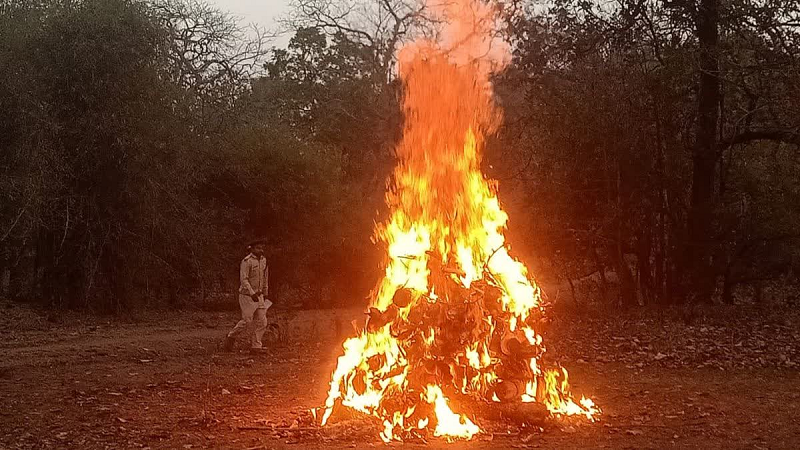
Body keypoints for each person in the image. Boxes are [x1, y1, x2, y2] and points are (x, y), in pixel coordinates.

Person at [222, 238, 272, 353]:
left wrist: (265, 292)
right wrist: (251, 292)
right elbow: (244, 279)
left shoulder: (264, 260)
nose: (261, 250)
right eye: (258, 248)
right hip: (247, 296)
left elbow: (265, 277)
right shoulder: (247, 261)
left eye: (262, 248)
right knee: (247, 321)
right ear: (252, 249)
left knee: (262, 321)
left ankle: (256, 346)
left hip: (259, 295)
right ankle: (231, 336)